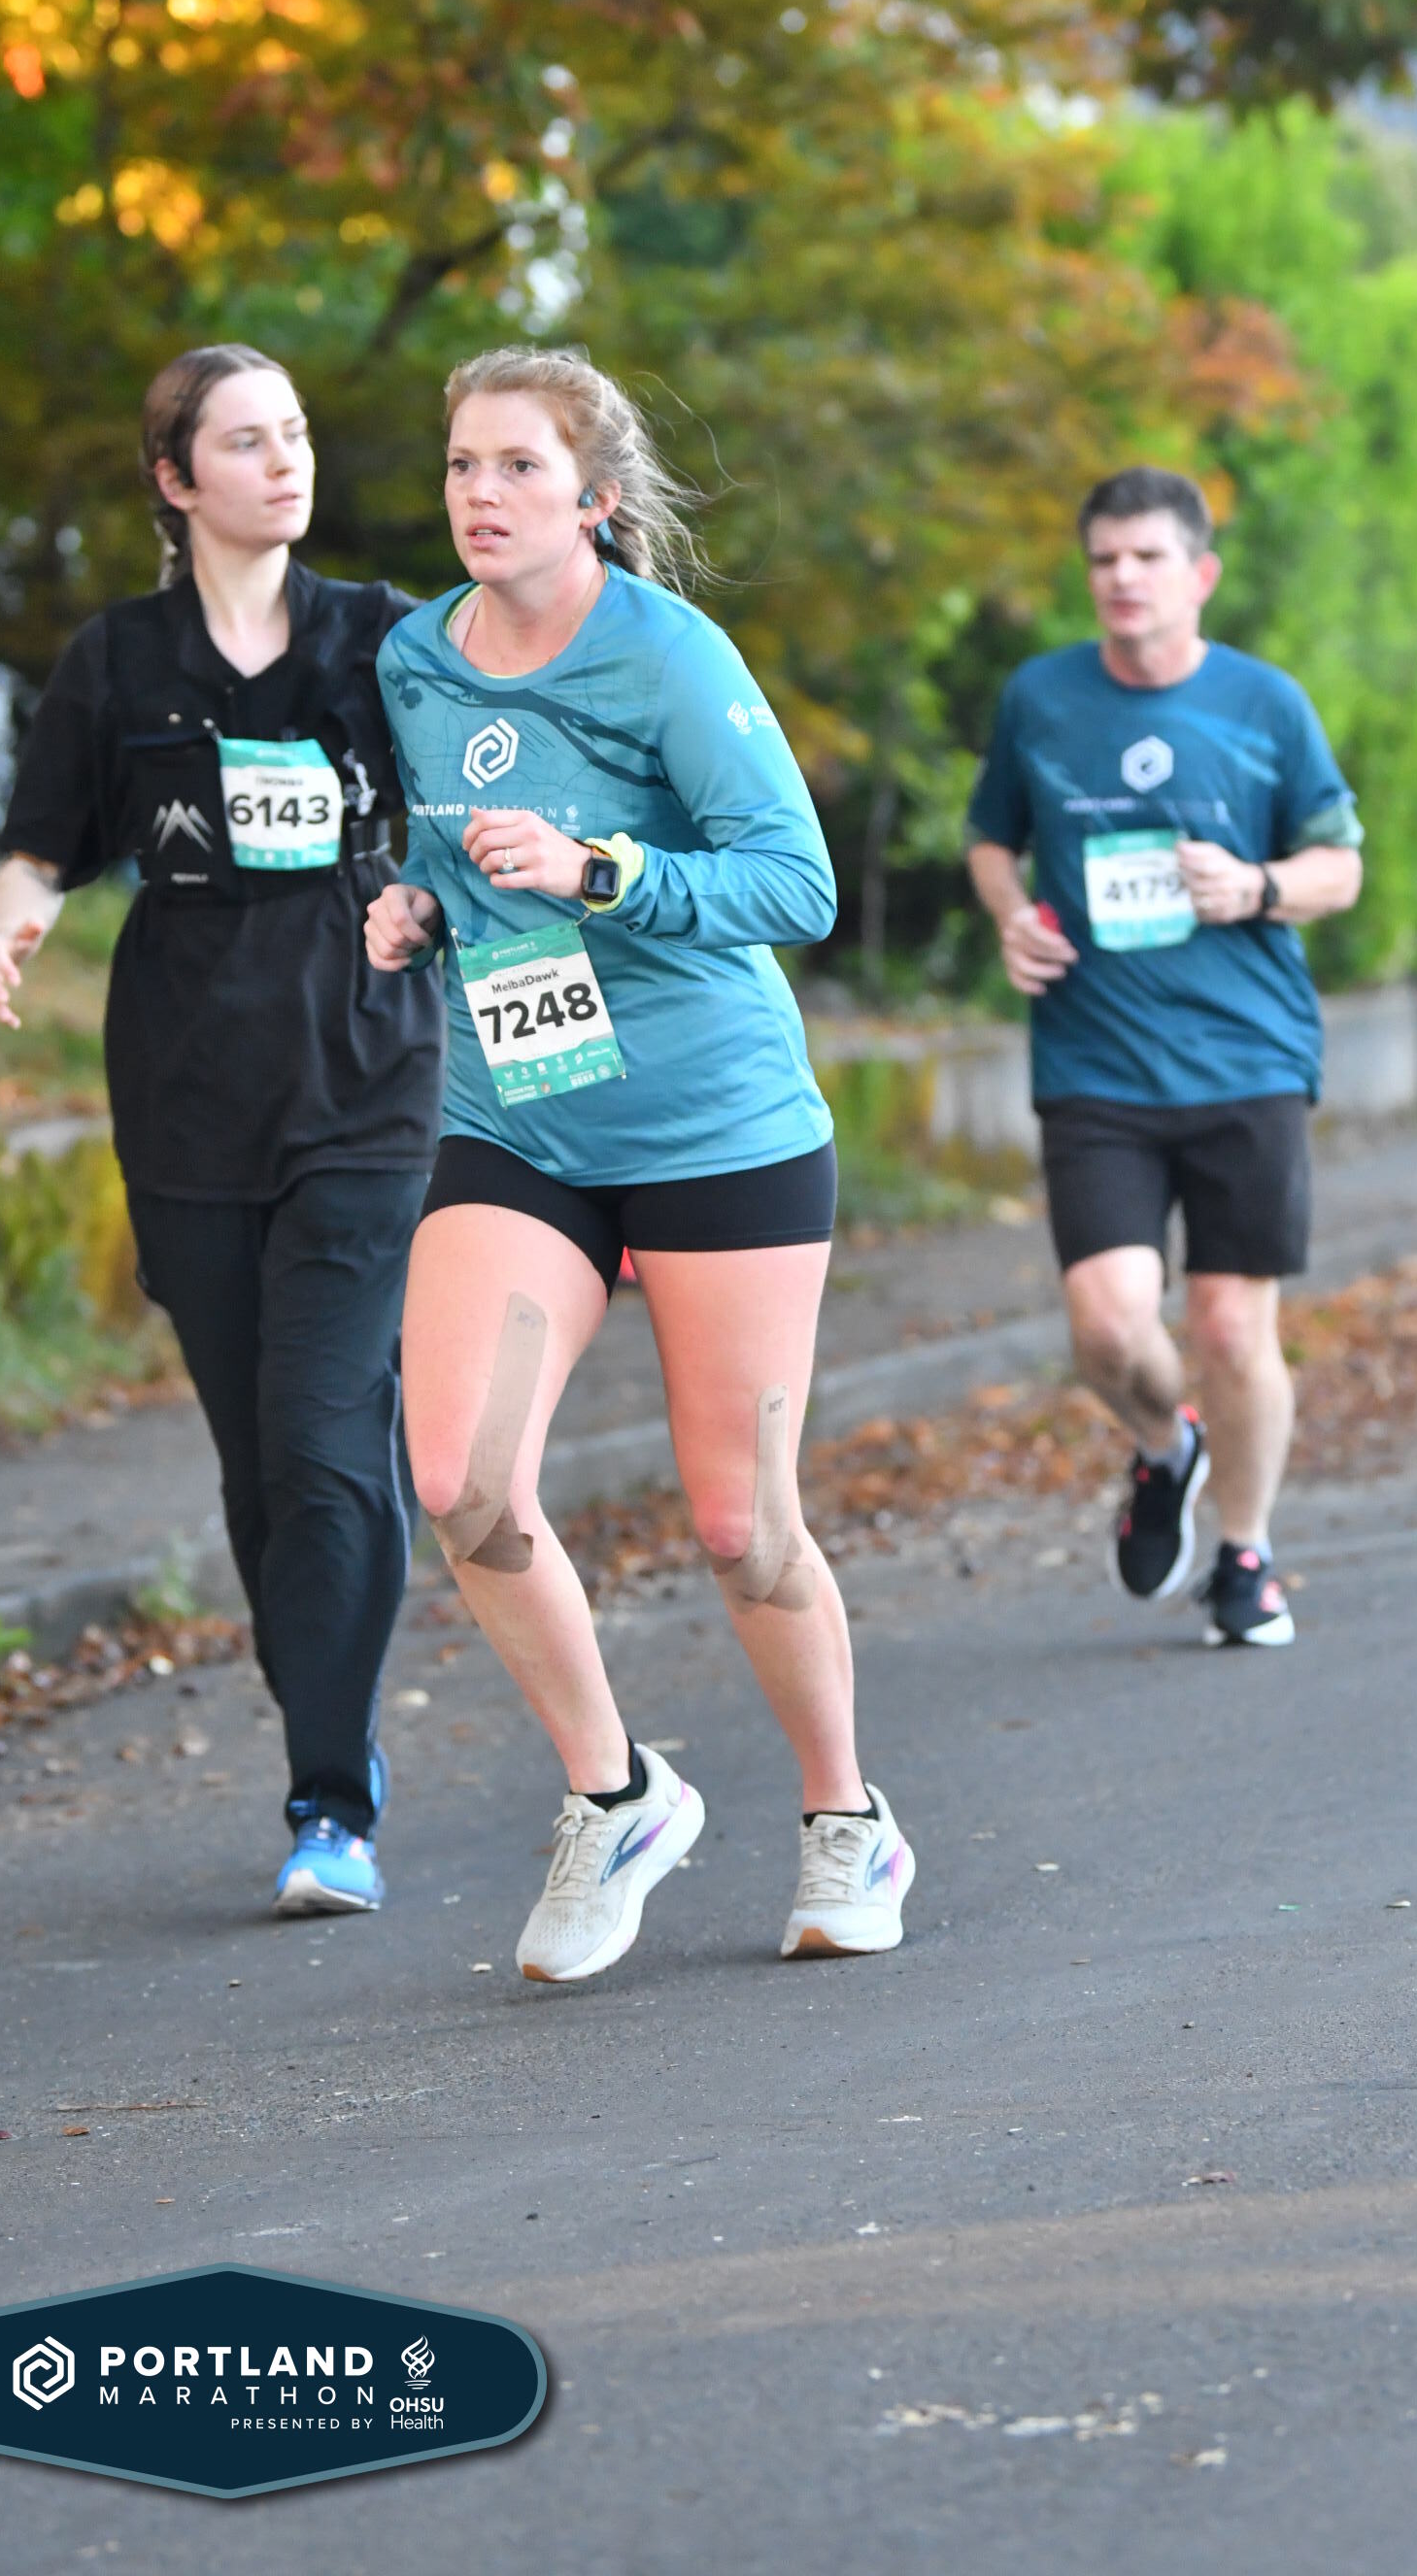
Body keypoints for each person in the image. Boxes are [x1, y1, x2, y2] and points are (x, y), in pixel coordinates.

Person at [365, 345, 913, 1983]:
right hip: (523, 1117)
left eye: (519, 466)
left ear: (593, 498)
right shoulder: (414, 659)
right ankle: (615, 1796)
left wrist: (603, 869)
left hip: (710, 1131)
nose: (481, 494)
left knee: (742, 1523)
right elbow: (453, 854)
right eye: (462, 464)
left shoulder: (669, 656)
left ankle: (845, 1816)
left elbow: (796, 885)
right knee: (460, 1478)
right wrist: (418, 907)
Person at [0, 345, 444, 1913]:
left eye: (294, 433)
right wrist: (11, 918)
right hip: (185, 1092)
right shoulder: (117, 661)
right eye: (246, 441)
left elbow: (485, 777)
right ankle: (329, 1723)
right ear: (176, 479)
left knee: (320, 1434)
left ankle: (332, 1804)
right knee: (258, 1460)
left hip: (366, 1078)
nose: (284, 460)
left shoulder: (385, 638)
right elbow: (44, 840)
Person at [965, 467, 1364, 1648]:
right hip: (1094, 1059)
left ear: (1199, 575)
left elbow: (1340, 866)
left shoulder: (1263, 703)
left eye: (1146, 558)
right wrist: (1010, 917)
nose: (1122, 579)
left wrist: (1255, 886)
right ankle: (1160, 1444)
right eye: (1103, 560)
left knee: (1234, 1329)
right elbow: (990, 840)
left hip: (1246, 1055)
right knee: (1105, 1326)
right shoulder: (1042, 697)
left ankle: (1244, 1554)